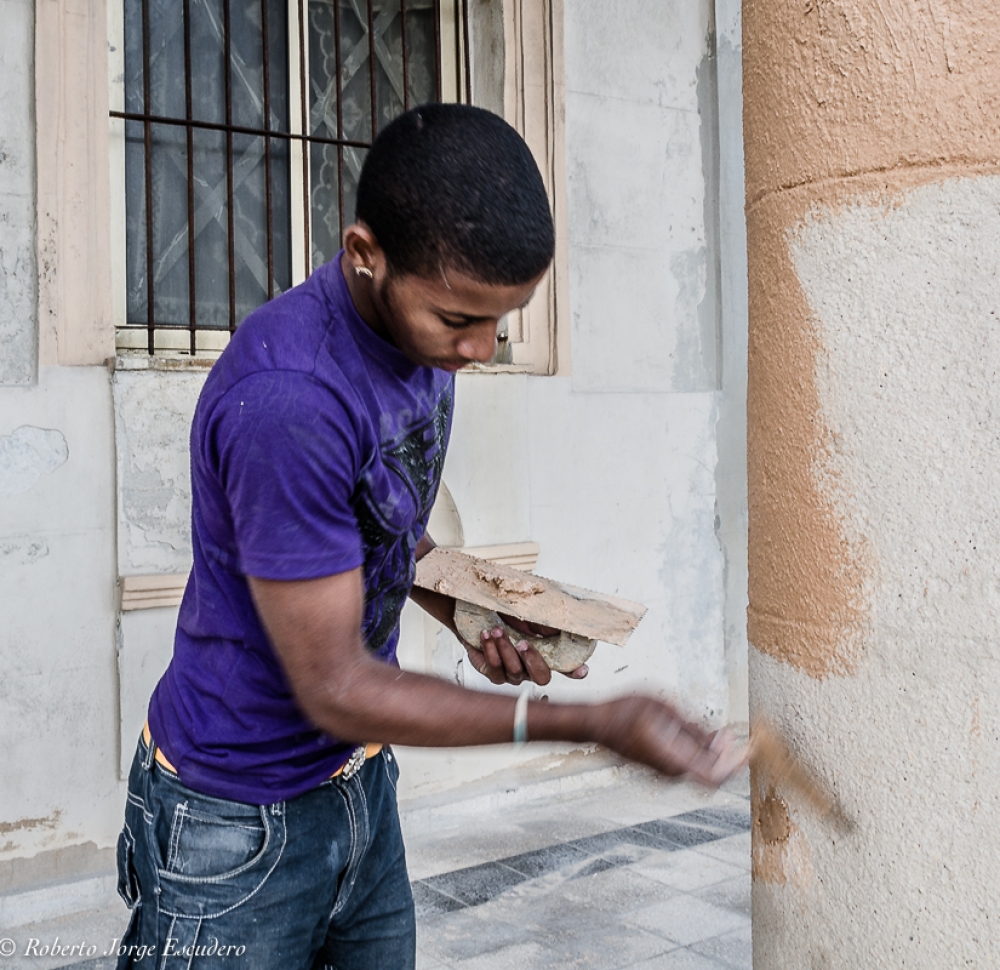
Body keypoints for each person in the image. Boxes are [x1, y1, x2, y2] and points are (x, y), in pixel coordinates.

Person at [115, 103, 744, 970]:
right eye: (458, 320)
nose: (480, 350)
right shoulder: (293, 399)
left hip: (359, 786)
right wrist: (595, 724)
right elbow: (334, 684)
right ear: (365, 254)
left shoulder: (418, 348)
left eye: (503, 321)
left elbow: (383, 529)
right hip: (234, 823)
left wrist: (473, 613)